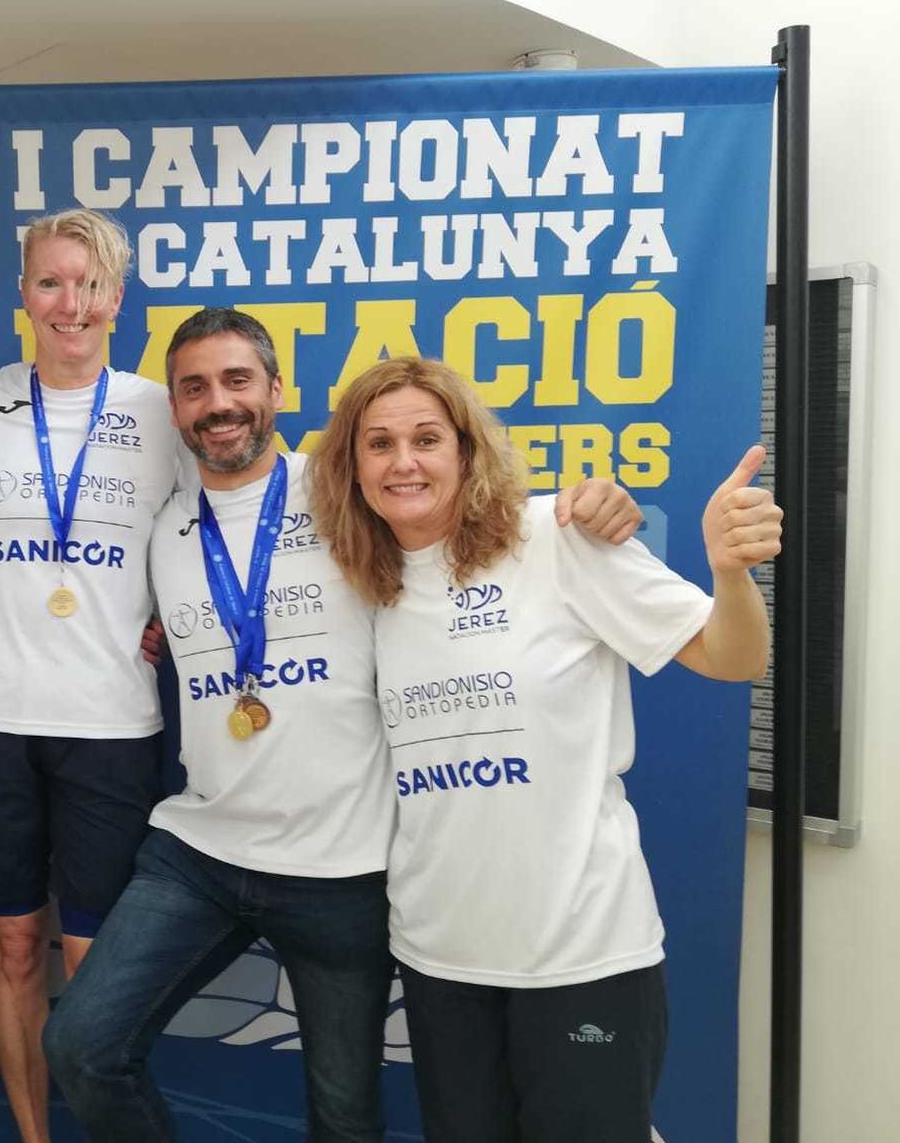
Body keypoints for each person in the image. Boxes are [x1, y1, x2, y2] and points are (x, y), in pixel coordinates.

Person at [42, 311, 646, 1141]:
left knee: (345, 1116)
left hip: (344, 871)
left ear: (277, 388)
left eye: (238, 380)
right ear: (175, 408)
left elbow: (476, 521)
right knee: (81, 1044)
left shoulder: (353, 494)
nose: (219, 403)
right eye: (195, 388)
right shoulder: (162, 525)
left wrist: (592, 502)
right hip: (202, 850)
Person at [307, 356, 780, 1143]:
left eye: (427, 438)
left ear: (467, 450)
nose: (404, 462)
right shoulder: (361, 582)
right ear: (352, 469)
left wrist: (730, 574)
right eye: (379, 444)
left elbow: (735, 658)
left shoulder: (555, 539)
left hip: (581, 952)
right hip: (439, 954)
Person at [0, 208, 184, 1142]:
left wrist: (179, 620)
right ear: (23, 295)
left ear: (117, 298)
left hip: (110, 721)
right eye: (50, 282)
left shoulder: (160, 409)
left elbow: (217, 531)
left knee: (92, 960)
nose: (69, 303)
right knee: (10, 945)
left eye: (89, 284)